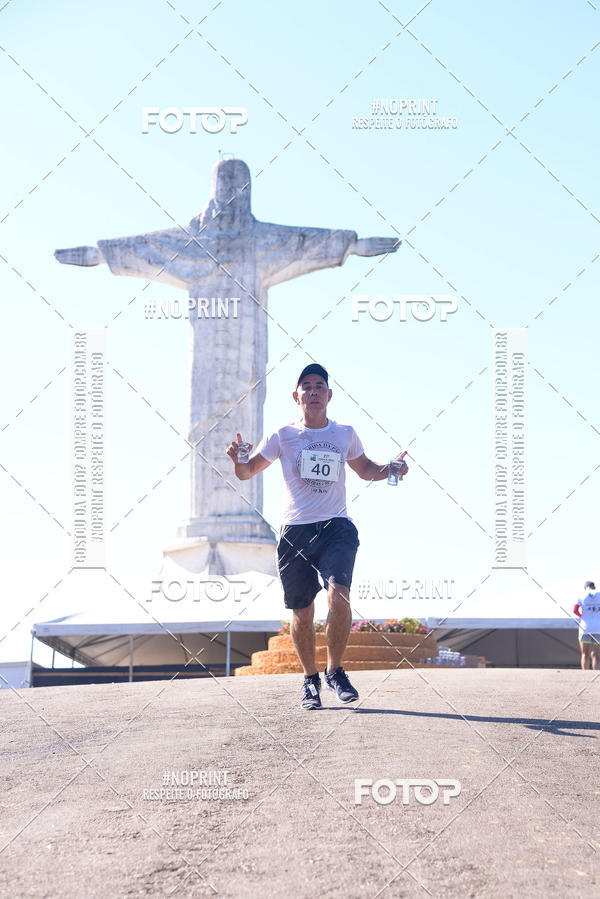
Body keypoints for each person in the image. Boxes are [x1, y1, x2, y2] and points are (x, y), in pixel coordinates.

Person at [226, 362, 408, 710]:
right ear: (296, 396)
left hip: (336, 527)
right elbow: (248, 471)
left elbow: (366, 470)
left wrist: (392, 469)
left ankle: (335, 671)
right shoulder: (282, 435)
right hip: (296, 531)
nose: (313, 392)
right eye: (306, 387)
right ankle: (310, 680)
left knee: (339, 596)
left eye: (319, 386)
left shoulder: (345, 434)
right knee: (302, 611)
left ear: (329, 395)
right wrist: (238, 459)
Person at [573, 581, 600, 670]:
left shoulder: (581, 595)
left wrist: (582, 616)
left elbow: (575, 610)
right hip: (598, 628)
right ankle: (596, 674)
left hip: (585, 627)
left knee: (585, 654)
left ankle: (585, 675)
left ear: (585, 587)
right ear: (594, 587)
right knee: (596, 654)